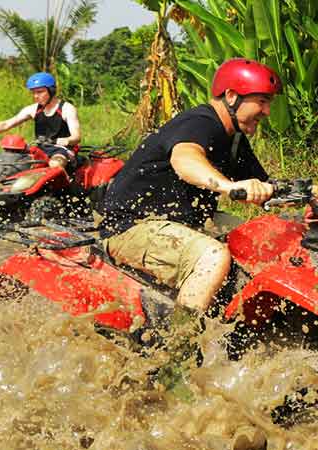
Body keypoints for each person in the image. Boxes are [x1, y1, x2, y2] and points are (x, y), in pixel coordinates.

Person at [100, 58, 282, 314]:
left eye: (268, 103)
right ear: (231, 96)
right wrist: (228, 187)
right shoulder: (199, 123)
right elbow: (185, 159)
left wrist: (317, 194)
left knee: (262, 239)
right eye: (261, 102)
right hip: (132, 226)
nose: (267, 111)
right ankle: (182, 344)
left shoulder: (234, 139)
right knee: (213, 257)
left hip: (184, 222)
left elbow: (267, 187)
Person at [0, 72, 82, 171]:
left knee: (55, 164)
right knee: (12, 162)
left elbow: (76, 137)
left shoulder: (67, 109)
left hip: (62, 149)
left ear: (51, 90)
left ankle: (62, 192)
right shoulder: (33, 109)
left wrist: (64, 140)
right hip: (40, 149)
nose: (36, 96)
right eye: (33, 92)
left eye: (40, 92)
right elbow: (7, 124)